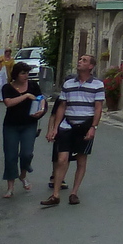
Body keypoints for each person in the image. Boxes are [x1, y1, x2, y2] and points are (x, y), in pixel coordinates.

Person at [41, 55, 103, 207]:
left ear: (91, 67)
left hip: (85, 124)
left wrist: (93, 127)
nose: (80, 62)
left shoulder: (97, 85)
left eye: (84, 60)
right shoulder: (68, 84)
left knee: (81, 159)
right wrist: (55, 127)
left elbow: (98, 107)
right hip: (68, 124)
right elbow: (62, 106)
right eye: (80, 59)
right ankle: (55, 194)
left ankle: (74, 192)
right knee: (62, 159)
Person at [0, 62, 44, 197]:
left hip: (29, 124)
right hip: (11, 125)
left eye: (27, 73)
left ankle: (23, 175)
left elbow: (41, 99)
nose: (26, 76)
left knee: (27, 153)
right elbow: (8, 103)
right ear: (16, 75)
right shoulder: (7, 87)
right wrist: (25, 96)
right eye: (23, 73)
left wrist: (41, 110)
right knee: (10, 156)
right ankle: (10, 188)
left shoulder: (33, 86)